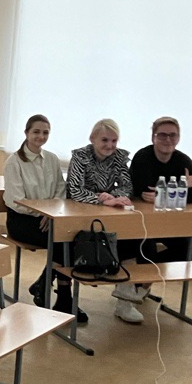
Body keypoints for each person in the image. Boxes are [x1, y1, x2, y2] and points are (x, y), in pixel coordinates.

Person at [3, 114, 85, 321]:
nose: (41, 136)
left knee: (72, 237)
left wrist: (53, 213)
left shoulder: (52, 159)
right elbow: (16, 200)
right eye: (36, 132)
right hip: (22, 220)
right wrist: (44, 213)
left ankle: (45, 285)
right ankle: (63, 296)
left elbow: (60, 190)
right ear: (26, 133)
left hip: (51, 217)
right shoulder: (14, 162)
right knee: (62, 241)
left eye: (45, 132)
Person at [67, 118, 142, 324]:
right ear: (92, 139)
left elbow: (127, 187)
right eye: (104, 140)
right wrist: (102, 198)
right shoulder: (80, 156)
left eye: (114, 140)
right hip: (80, 212)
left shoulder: (119, 157)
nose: (109, 145)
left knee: (132, 238)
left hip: (108, 211)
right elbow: (74, 190)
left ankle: (125, 297)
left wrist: (112, 197)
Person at [130, 116, 192, 262]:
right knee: (147, 248)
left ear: (178, 138)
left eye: (172, 135)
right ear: (153, 137)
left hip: (170, 221)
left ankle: (152, 273)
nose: (168, 139)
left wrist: (162, 196)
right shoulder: (142, 158)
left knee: (189, 250)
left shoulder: (184, 161)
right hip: (142, 220)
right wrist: (182, 187)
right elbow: (145, 193)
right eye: (162, 135)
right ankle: (147, 274)